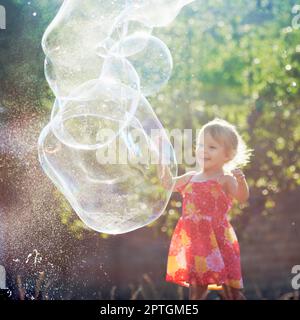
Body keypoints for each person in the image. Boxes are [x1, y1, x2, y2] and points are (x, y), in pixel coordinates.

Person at [160, 118, 253, 300]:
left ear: (228, 155)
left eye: (212, 147)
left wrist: (241, 181)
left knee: (231, 292)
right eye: (201, 145)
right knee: (197, 292)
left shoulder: (225, 179)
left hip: (219, 241)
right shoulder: (190, 177)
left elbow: (242, 197)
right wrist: (161, 160)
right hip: (196, 243)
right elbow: (167, 184)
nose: (204, 150)